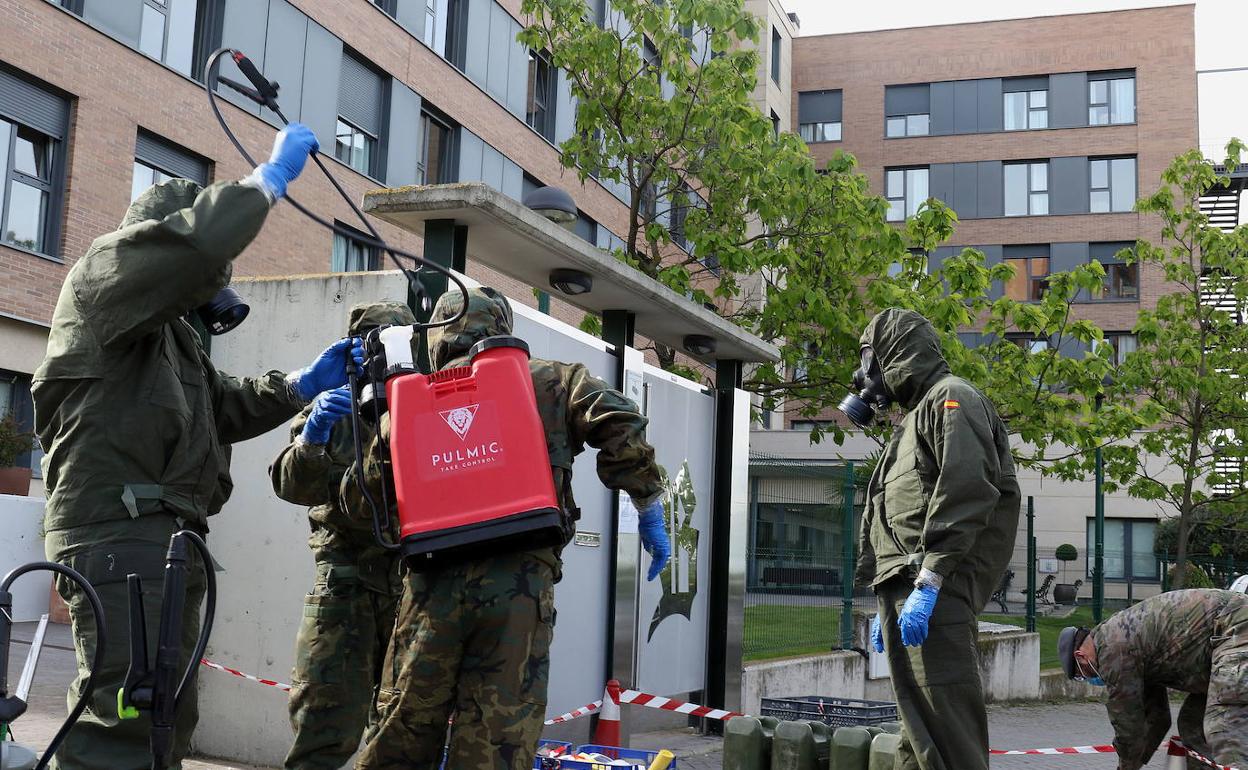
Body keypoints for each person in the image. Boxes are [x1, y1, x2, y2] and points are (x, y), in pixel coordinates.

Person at [32, 123, 362, 769]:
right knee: (123, 715)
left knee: (164, 715)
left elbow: (222, 406)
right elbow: (193, 245)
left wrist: (301, 384)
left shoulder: (170, 339)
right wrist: (267, 182)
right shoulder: (103, 277)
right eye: (202, 275)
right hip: (116, 532)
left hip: (164, 538)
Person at [344, 286, 671, 770]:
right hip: (520, 588)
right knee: (498, 736)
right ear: (501, 330)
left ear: (436, 335)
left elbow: (361, 503)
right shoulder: (553, 381)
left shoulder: (409, 399)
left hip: (431, 589)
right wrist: (646, 500)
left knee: (403, 728)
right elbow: (619, 420)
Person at [848, 308, 1021, 770]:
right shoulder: (913, 420)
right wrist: (891, 595)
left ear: (895, 354)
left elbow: (966, 489)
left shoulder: (952, 398)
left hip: (934, 592)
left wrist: (927, 583)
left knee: (948, 733)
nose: (862, 373)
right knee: (918, 734)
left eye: (867, 358)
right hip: (908, 590)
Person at [270, 301, 417, 770]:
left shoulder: (425, 406)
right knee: (323, 730)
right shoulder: (332, 407)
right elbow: (291, 486)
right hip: (345, 586)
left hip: (409, 585)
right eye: (374, 343)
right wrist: (312, 437)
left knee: (399, 731)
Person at [1057, 588, 1248, 770]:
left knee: (1223, 723)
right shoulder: (1130, 651)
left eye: (1082, 676)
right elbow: (1156, 719)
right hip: (1221, 639)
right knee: (1192, 724)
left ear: (1080, 656)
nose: (1090, 679)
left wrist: (1126, 767)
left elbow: (1129, 727)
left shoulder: (1113, 650)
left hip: (1235, 625)